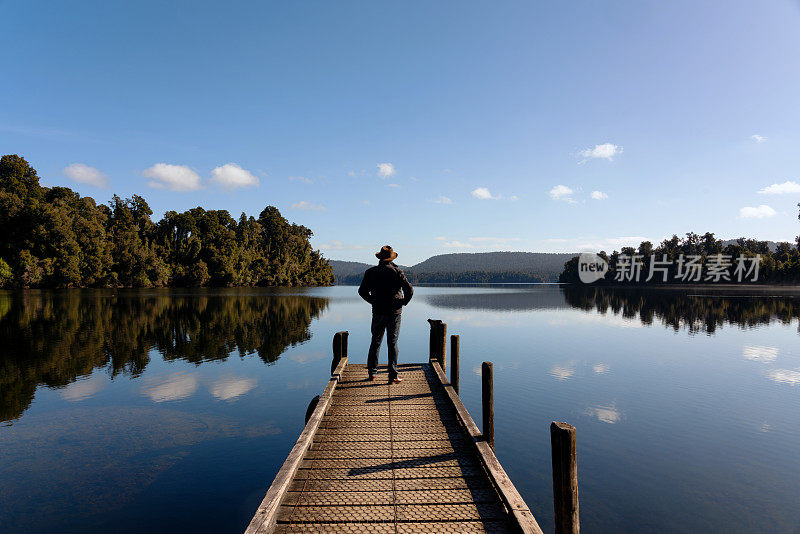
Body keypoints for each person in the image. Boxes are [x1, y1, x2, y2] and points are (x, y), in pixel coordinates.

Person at [358, 245, 414, 383]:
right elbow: (410, 290)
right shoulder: (397, 272)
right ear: (391, 258)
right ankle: (393, 375)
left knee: (375, 342)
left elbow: (362, 291)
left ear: (380, 258)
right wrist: (403, 302)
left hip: (378, 311)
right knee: (392, 343)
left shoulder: (370, 272)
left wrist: (373, 301)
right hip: (394, 312)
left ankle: (372, 373)